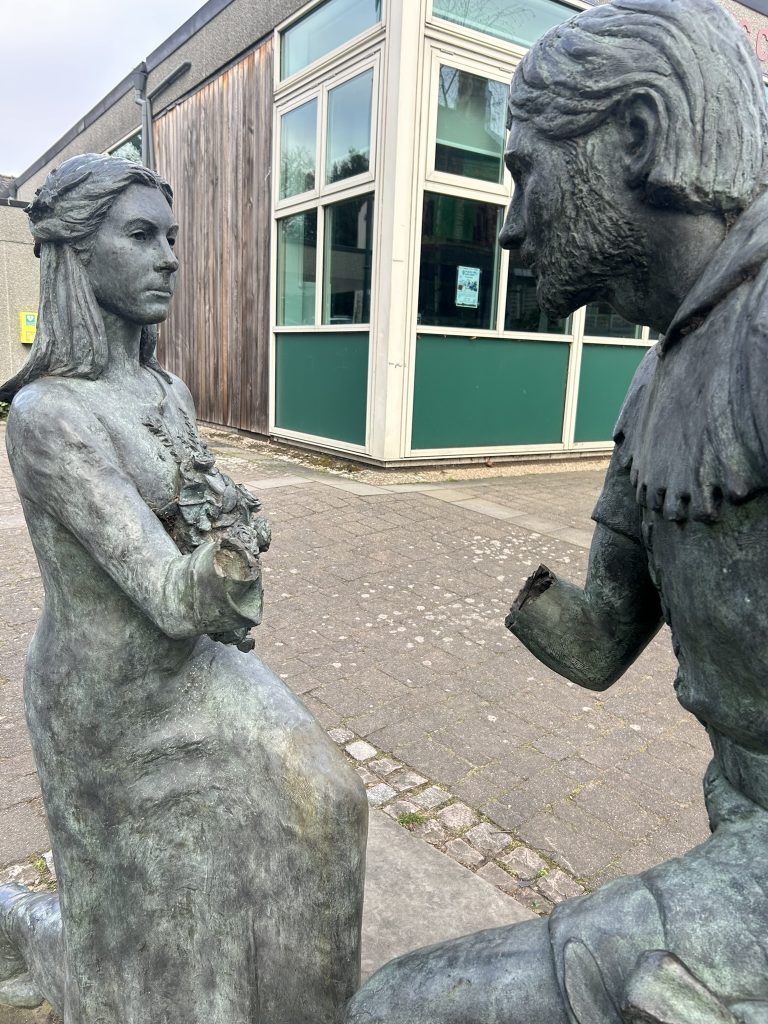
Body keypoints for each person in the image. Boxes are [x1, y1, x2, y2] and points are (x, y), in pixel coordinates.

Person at [346, 0, 768, 1021]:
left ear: (636, 132)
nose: (511, 223)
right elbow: (602, 641)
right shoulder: (652, 381)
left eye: (526, 171)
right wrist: (480, 592)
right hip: (741, 823)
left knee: (400, 1009)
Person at [0, 154, 367, 1024]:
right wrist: (231, 557)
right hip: (110, 703)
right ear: (77, 257)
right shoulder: (48, 415)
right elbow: (168, 591)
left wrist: (229, 520)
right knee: (145, 946)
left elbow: (196, 517)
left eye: (172, 238)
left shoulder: (167, 388)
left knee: (330, 800)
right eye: (140, 237)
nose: (169, 258)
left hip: (192, 666)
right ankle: (16, 924)